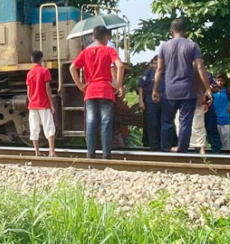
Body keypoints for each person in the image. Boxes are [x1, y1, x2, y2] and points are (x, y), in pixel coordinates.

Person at [152, 18, 213, 153]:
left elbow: (159, 69)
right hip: (187, 90)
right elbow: (200, 67)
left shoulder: (164, 46)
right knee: (185, 122)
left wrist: (155, 89)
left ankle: (165, 149)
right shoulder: (192, 45)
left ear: (171, 32)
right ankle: (182, 149)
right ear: (185, 31)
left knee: (167, 122)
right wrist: (207, 89)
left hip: (170, 91)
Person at [70, 25, 125, 159]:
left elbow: (72, 68)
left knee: (91, 122)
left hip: (90, 91)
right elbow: (120, 65)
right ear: (106, 37)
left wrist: (81, 86)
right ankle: (106, 155)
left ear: (92, 37)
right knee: (106, 123)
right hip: (106, 91)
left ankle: (90, 154)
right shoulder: (109, 50)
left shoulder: (86, 52)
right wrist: (117, 85)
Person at [26, 50, 57, 157]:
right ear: (41, 59)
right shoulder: (45, 71)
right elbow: (48, 89)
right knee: (49, 127)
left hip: (33, 105)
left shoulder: (29, 73)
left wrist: (31, 101)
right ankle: (51, 151)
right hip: (43, 104)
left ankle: (37, 152)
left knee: (34, 128)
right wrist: (52, 104)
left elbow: (28, 92)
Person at [138, 56, 164, 150]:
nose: (155, 65)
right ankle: (153, 146)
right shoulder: (148, 73)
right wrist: (141, 101)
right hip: (149, 98)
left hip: (163, 98)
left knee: (163, 122)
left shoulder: (165, 73)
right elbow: (141, 86)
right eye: (153, 63)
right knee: (152, 123)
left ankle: (163, 145)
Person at [212, 74, 230, 150]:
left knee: (227, 143)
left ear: (224, 81)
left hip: (226, 120)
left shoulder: (228, 92)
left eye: (221, 80)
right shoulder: (211, 92)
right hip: (214, 120)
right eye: (218, 81)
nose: (219, 83)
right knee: (216, 143)